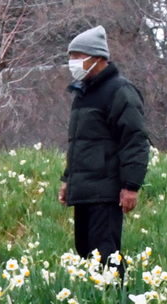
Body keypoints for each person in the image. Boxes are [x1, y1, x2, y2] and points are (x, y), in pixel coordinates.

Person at [59, 25, 149, 277]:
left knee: (106, 253)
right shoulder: (82, 94)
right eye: (71, 57)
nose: (72, 63)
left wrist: (131, 185)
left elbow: (135, 140)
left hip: (106, 191)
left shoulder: (120, 91)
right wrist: (68, 181)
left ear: (98, 59)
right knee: (86, 251)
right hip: (85, 189)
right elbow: (80, 144)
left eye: (78, 57)